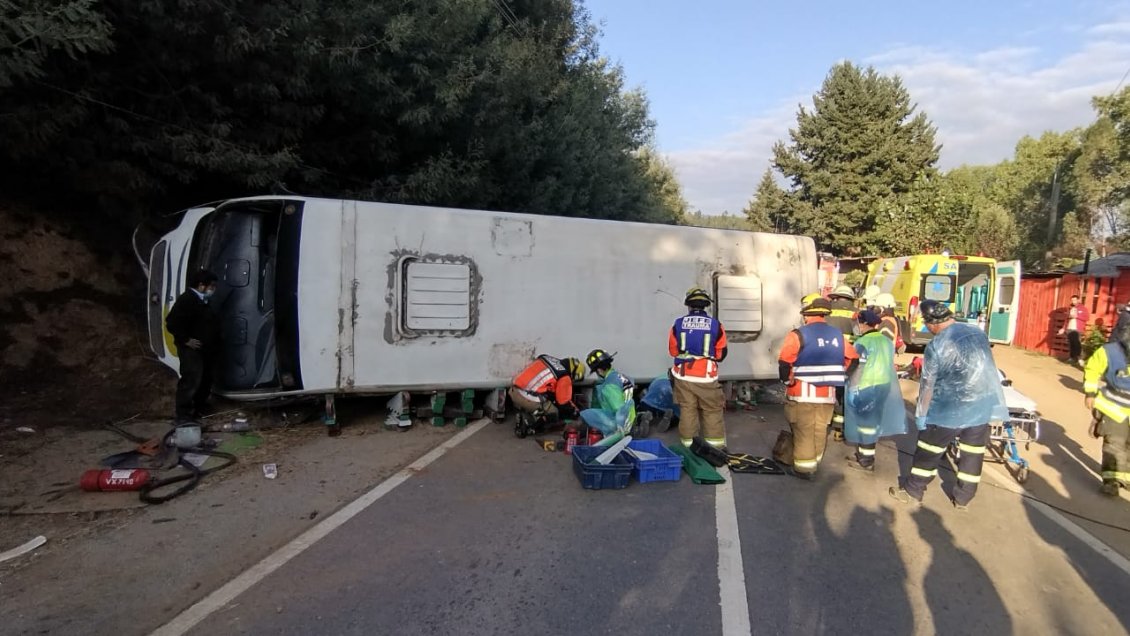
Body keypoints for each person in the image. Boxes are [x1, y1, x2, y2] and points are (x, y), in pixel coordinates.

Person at [890, 299, 1008, 510]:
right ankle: (963, 499)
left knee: (929, 449)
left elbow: (928, 385)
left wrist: (922, 414)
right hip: (982, 405)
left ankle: (913, 490)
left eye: (926, 324)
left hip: (950, 409)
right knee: (973, 452)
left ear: (933, 323)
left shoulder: (937, 345)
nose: (927, 328)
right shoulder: (977, 333)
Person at [775, 294, 859, 479]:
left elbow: (784, 361)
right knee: (820, 430)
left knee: (803, 430)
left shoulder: (798, 334)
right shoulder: (837, 335)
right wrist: (840, 374)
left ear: (807, 314)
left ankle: (804, 470)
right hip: (827, 395)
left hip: (801, 394)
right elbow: (853, 358)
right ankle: (814, 462)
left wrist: (788, 381)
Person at [844, 310, 907, 472]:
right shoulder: (885, 341)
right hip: (883, 386)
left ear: (863, 323)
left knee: (865, 424)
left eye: (857, 322)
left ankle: (866, 460)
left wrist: (850, 386)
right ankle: (866, 455)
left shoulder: (863, 342)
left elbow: (856, 366)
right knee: (872, 422)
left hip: (866, 386)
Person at [669, 287, 728, 449]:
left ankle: (688, 446)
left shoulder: (678, 324)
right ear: (706, 305)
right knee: (712, 410)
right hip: (706, 376)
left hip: (683, 375)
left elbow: (673, 350)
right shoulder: (716, 325)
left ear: (689, 305)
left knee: (688, 409)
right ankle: (714, 448)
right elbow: (721, 354)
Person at [165, 269, 221, 422]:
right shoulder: (187, 300)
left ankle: (199, 407)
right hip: (190, 349)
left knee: (205, 378)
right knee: (191, 379)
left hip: (205, 349)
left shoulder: (203, 301)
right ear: (201, 285)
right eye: (212, 286)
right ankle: (184, 415)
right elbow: (172, 322)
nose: (213, 290)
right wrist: (185, 340)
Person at [1083, 319, 1130, 496]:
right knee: (1114, 444)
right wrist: (1090, 393)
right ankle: (1111, 481)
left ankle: (1124, 477)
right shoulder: (1109, 352)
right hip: (1114, 408)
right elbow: (1092, 369)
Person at [509, 354, 585, 422]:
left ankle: (524, 410)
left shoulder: (545, 357)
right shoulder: (564, 376)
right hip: (525, 397)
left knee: (546, 397)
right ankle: (531, 423)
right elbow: (563, 403)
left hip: (514, 390)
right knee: (554, 412)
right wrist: (575, 412)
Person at [579, 349, 636, 436]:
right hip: (631, 416)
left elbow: (619, 409)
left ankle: (630, 430)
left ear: (599, 370)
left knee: (587, 414)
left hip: (622, 424)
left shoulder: (609, 386)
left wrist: (620, 430)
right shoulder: (620, 377)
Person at [1059, 294, 1090, 366]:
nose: (1073, 301)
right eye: (1072, 300)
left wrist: (1077, 316)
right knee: (1071, 344)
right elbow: (1066, 319)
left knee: (1077, 344)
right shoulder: (1069, 308)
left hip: (1077, 329)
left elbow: (1087, 318)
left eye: (1075, 300)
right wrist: (1063, 328)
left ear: (1078, 300)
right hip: (1070, 328)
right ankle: (1072, 358)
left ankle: (1080, 359)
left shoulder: (1083, 308)